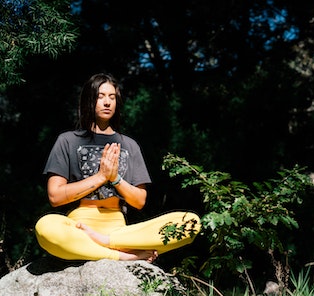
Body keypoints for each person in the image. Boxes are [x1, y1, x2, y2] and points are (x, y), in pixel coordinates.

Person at [35, 73, 201, 263]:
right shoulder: (67, 140)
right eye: (101, 96)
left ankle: (105, 242)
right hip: (79, 226)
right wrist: (100, 176)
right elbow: (55, 197)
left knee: (190, 223)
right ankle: (120, 255)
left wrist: (115, 178)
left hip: (118, 229)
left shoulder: (129, 145)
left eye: (112, 97)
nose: (107, 102)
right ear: (89, 99)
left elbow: (139, 201)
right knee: (45, 227)